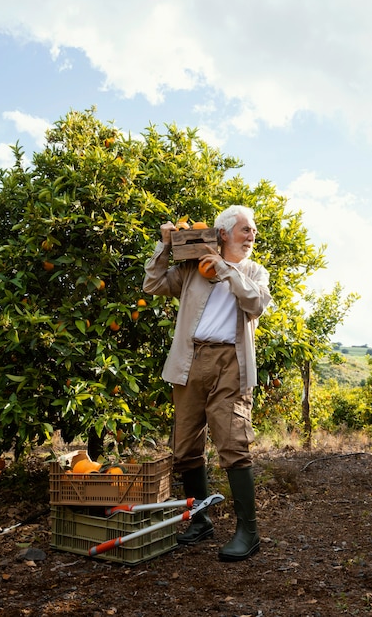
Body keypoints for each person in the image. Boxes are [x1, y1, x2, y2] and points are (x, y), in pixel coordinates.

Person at [143, 205, 271, 562]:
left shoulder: (254, 272)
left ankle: (249, 531)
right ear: (223, 233)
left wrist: (223, 268)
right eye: (245, 229)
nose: (252, 236)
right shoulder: (190, 271)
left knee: (233, 444)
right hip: (190, 360)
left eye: (253, 230)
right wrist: (165, 246)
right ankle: (201, 521)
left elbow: (256, 302)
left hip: (230, 363)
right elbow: (152, 283)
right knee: (185, 447)